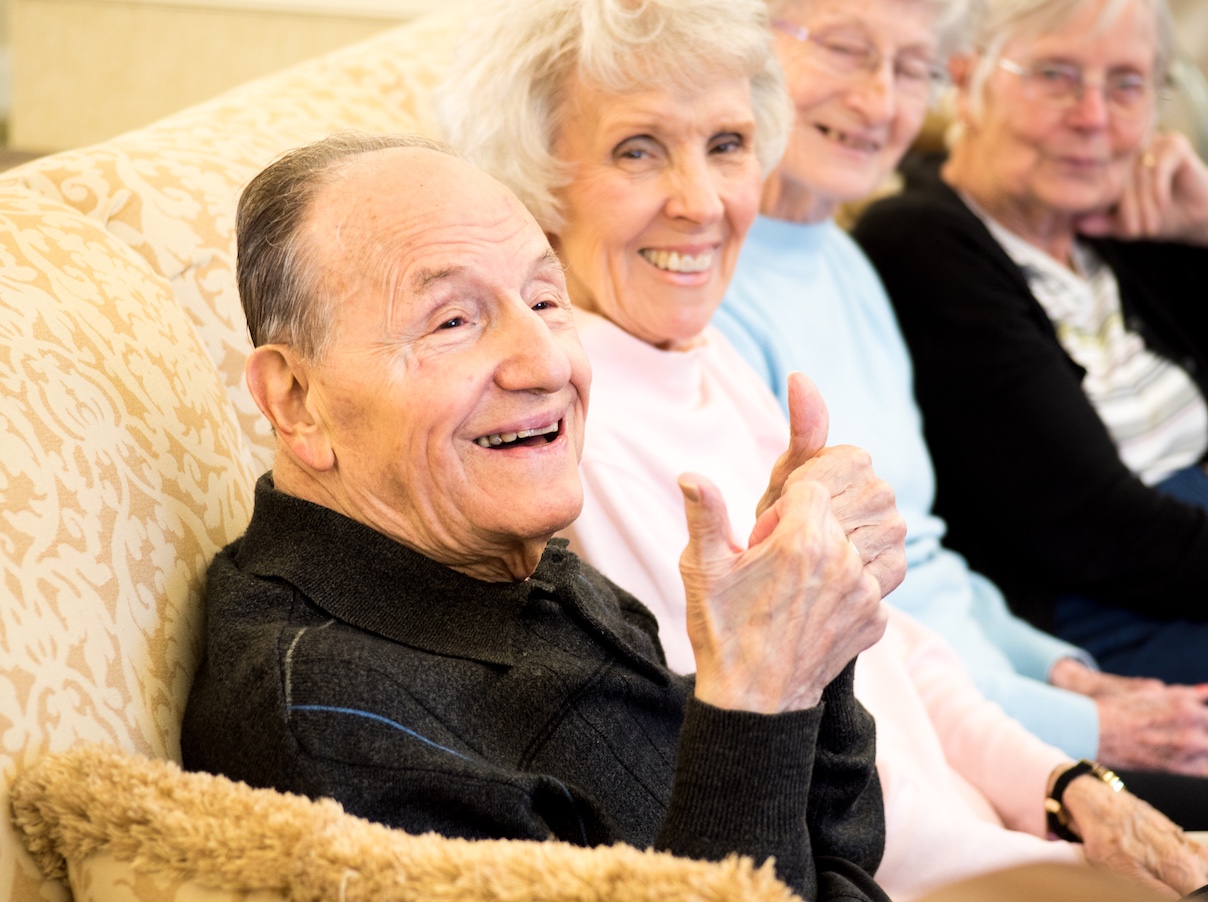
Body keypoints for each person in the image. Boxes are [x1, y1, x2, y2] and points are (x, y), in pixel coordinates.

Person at [431, 0, 1208, 898]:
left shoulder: (703, 350)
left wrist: (1070, 788)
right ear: (538, 180)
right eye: (638, 151)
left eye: (725, 144)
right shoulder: (565, 436)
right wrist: (1051, 844)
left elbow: (887, 642)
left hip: (1003, 828)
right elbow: (779, 781)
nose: (700, 199)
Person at [712, 0, 1208, 831]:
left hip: (1052, 659)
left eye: (1127, 86)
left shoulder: (859, 262)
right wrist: (1075, 712)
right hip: (1077, 649)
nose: (1093, 119)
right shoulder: (902, 250)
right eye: (1057, 77)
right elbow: (1088, 533)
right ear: (967, 87)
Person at [180, 133, 892, 902]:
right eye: (452, 321)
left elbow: (840, 854)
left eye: (546, 302)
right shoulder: (334, 722)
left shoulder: (515, 564)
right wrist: (759, 691)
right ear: (295, 398)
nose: (548, 364)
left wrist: (805, 629)